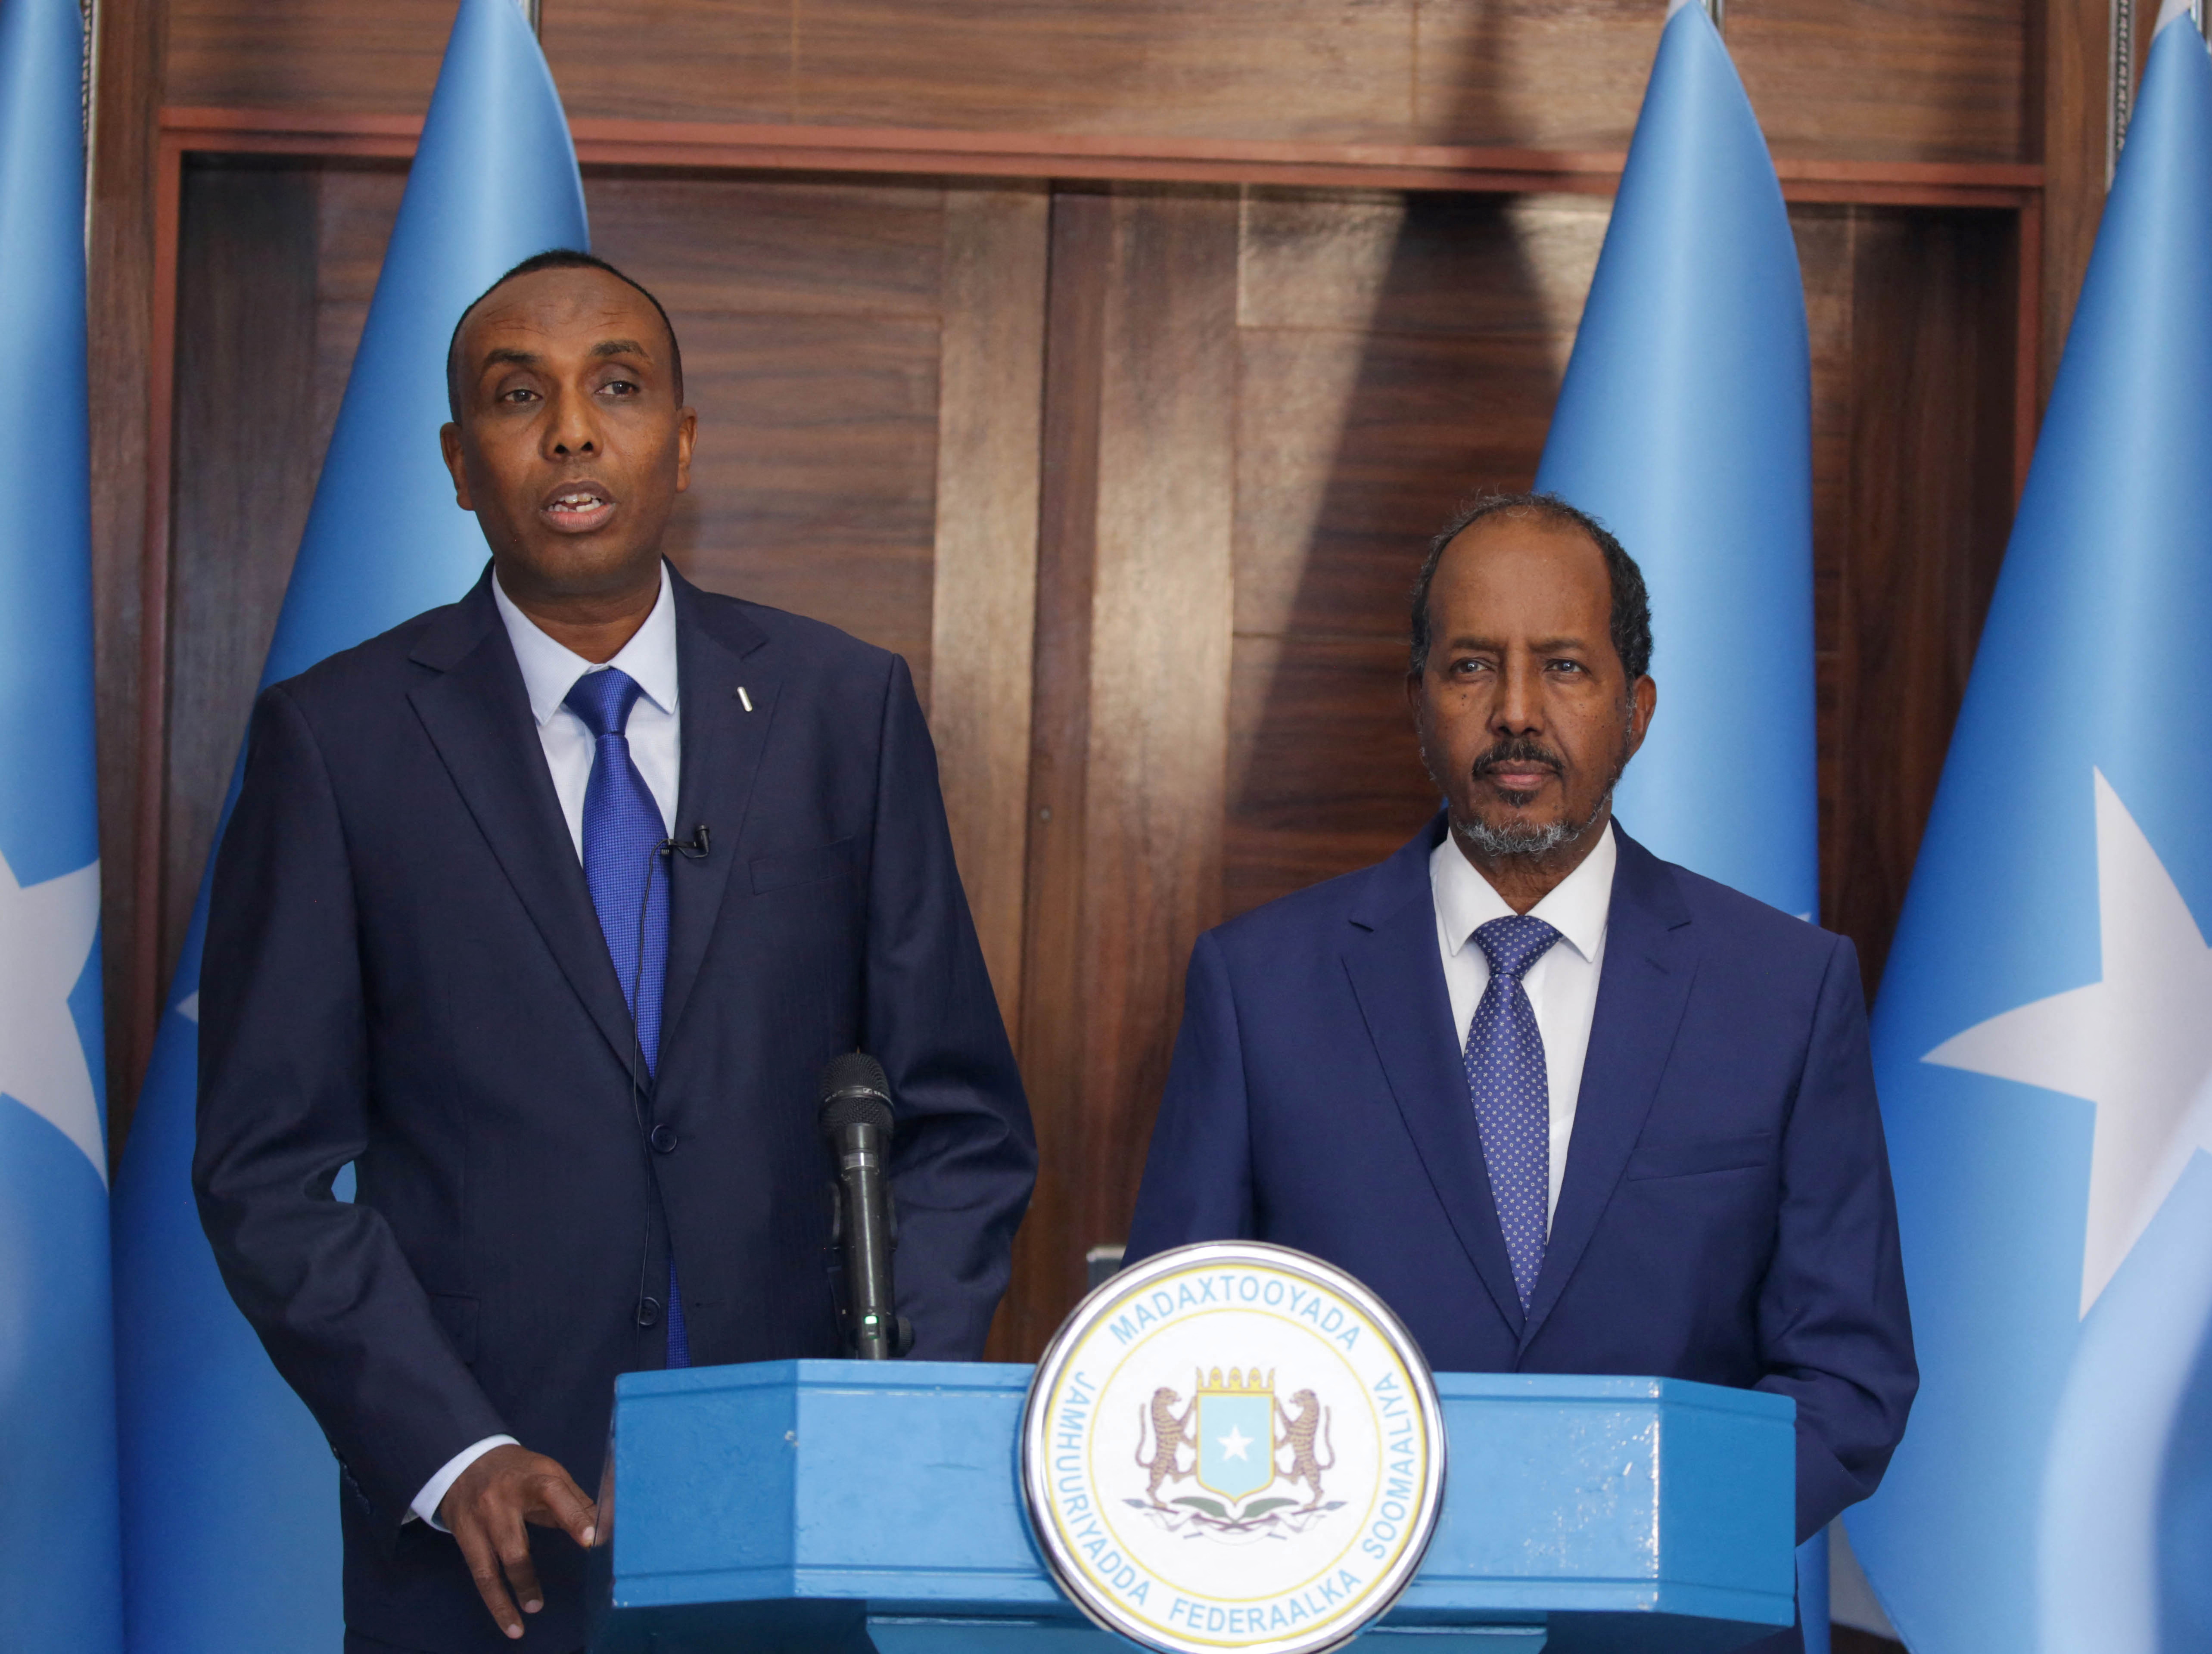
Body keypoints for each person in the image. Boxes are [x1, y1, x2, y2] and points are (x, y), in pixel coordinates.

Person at [194, 251, 1037, 1654]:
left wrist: (870, 1416)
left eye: (620, 389)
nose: (574, 432)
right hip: (482, 1549)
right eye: (520, 397)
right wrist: (449, 1449)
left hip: (795, 1521)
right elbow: (262, 1171)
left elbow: (962, 1125)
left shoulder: (843, 711)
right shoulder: (336, 742)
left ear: (683, 444)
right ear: (459, 465)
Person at [1126, 492, 1916, 1564]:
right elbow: (1175, 1351)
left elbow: (1848, 1377)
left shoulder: (1785, 989)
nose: (1515, 712)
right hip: (1359, 1615)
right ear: (1418, 702)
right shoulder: (1258, 986)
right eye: (1471, 667)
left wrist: (1631, 1539)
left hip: (1664, 1613)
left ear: (1636, 709)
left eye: (1565, 667)